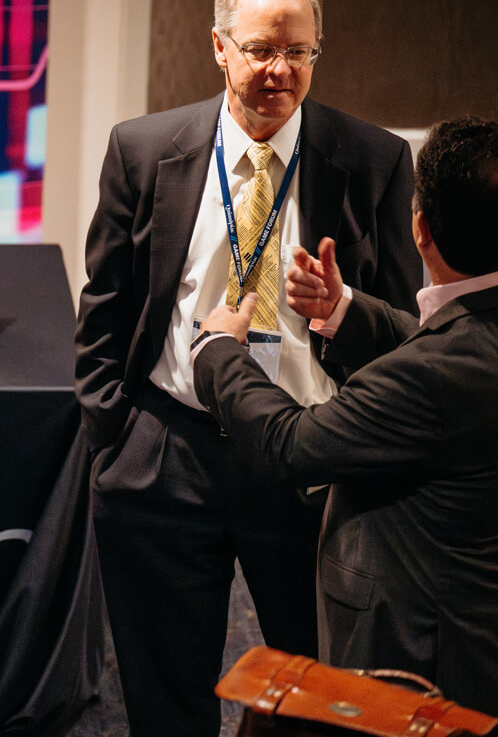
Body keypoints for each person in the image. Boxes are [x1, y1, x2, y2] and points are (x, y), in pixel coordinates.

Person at [73, 0, 423, 735]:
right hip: (170, 449)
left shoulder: (373, 160)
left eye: (300, 52)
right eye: (262, 49)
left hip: (307, 458)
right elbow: (105, 305)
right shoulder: (144, 150)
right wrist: (113, 437)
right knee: (165, 695)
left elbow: (403, 331)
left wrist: (342, 314)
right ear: (219, 47)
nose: (280, 71)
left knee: (315, 692)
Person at [193, 116, 498, 711]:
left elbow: (288, 442)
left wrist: (218, 351)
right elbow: (448, 346)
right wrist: (342, 311)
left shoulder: (430, 376)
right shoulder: (465, 348)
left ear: (420, 228)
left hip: (424, 666)